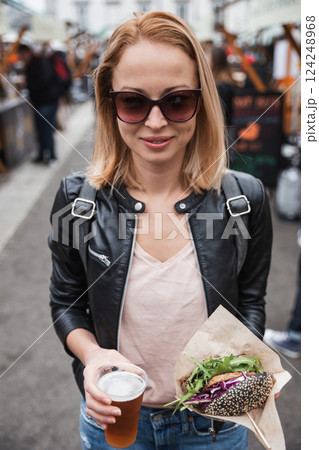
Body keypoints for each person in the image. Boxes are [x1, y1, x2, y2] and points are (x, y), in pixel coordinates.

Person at [48, 11, 273, 450]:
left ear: (202, 101)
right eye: (133, 102)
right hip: (114, 419)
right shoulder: (78, 202)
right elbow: (65, 302)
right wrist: (93, 356)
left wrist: (249, 364)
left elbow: (251, 301)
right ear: (108, 103)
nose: (155, 123)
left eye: (176, 101)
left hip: (215, 424)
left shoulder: (244, 200)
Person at [17, 44, 60, 165]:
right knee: (40, 131)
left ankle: (52, 157)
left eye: (22, 54)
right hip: (40, 103)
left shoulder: (40, 62)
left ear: (28, 52)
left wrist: (27, 85)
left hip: (47, 101)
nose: (21, 57)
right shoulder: (30, 64)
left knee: (46, 130)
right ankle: (41, 155)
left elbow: (44, 80)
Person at [210, 45, 238, 128]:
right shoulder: (227, 82)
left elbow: (223, 115)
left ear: (215, 61)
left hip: (221, 131)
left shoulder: (221, 85)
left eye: (209, 58)